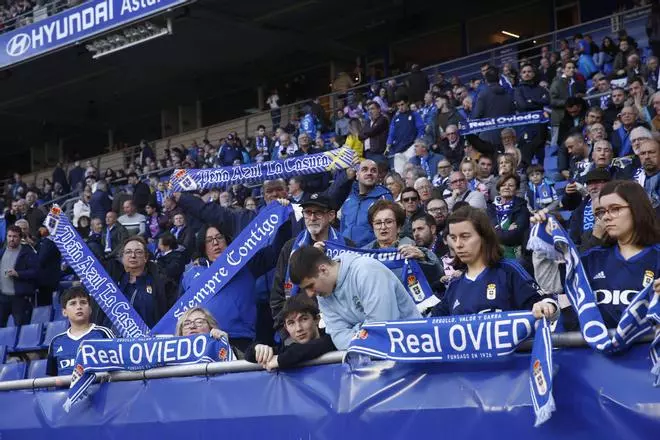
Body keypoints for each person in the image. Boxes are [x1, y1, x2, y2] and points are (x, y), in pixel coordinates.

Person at [531, 180, 660, 329]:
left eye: (615, 209)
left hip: (645, 351)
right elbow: (554, 287)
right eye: (601, 212)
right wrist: (550, 308)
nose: (606, 217)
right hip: (595, 352)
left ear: (638, 209)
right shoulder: (591, 259)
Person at [178, 199, 291, 352]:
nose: (215, 243)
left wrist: (283, 217)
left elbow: (276, 252)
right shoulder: (191, 274)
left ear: (227, 240)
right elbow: (179, 310)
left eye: (219, 238)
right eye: (209, 240)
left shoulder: (246, 264)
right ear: (202, 246)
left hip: (241, 341)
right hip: (202, 342)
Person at [431, 206, 558, 318]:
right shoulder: (455, 286)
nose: (458, 245)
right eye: (453, 238)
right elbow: (430, 325)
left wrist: (546, 306)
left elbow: (544, 303)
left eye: (465, 236)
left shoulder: (508, 270)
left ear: (484, 237)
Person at [288, 245, 422, 350]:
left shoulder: (366, 271)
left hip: (414, 347)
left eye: (310, 285)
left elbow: (382, 329)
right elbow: (339, 339)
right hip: (376, 359)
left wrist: (356, 329)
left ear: (323, 270)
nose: (310, 294)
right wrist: (365, 329)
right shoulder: (323, 295)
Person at [247, 295, 335, 371]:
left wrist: (280, 360)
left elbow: (322, 344)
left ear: (317, 319)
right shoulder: (288, 350)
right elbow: (249, 356)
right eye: (291, 323)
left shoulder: (333, 337)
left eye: (304, 319)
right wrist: (258, 348)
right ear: (286, 327)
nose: (298, 328)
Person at [46, 286, 114, 376]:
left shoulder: (104, 334)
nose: (79, 307)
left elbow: (117, 368)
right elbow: (52, 377)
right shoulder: (56, 341)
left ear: (90, 309)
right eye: (73, 303)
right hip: (65, 390)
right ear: (64, 312)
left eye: (83, 302)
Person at [340, 159, 393, 247]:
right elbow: (342, 228)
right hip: (347, 251)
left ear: (378, 176)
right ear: (357, 175)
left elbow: (389, 230)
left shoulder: (384, 198)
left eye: (373, 170)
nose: (369, 173)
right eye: (364, 169)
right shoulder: (348, 198)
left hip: (371, 252)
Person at [0, 225, 38, 327]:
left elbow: (35, 272)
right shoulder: (2, 252)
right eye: (9, 236)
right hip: (3, 297)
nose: (11, 239)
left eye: (15, 236)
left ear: (20, 238)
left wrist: (18, 274)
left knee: (21, 327)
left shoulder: (27, 253)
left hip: (20, 298)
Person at [487, 174, 530, 259]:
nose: (506, 187)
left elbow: (515, 236)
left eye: (511, 185)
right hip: (493, 253)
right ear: (499, 190)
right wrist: (506, 230)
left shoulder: (522, 208)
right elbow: (489, 232)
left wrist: (498, 229)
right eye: (503, 185)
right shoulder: (491, 208)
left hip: (515, 254)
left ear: (517, 190)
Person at [473, 67, 516, 145]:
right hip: (506, 134)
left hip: (488, 135)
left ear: (486, 80)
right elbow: (513, 113)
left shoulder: (483, 94)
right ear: (498, 79)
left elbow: (476, 115)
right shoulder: (508, 94)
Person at [386, 94, 425, 174]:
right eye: (398, 105)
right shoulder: (395, 118)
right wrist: (388, 144)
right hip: (398, 150)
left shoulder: (414, 114)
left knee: (413, 172)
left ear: (407, 103)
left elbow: (421, 128)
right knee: (399, 174)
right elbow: (391, 132)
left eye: (402, 104)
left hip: (411, 147)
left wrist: (417, 141)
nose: (400, 107)